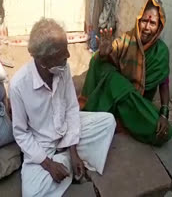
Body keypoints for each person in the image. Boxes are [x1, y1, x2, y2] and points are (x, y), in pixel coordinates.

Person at [9, 18, 116, 197]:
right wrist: (48, 165)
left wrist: (73, 150)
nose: (68, 54)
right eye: (61, 52)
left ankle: (69, 160)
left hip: (67, 132)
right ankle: (64, 164)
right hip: (43, 146)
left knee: (107, 122)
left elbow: (72, 108)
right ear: (44, 60)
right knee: (31, 194)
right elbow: (21, 133)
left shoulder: (62, 68)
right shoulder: (18, 85)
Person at [79, 0, 172, 146]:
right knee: (98, 61)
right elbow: (112, 54)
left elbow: (164, 83)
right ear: (138, 21)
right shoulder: (128, 39)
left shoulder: (161, 52)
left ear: (159, 27)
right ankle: (101, 112)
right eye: (144, 21)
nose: (147, 27)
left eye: (152, 23)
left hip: (136, 103)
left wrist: (164, 114)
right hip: (118, 92)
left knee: (164, 133)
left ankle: (116, 116)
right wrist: (104, 54)